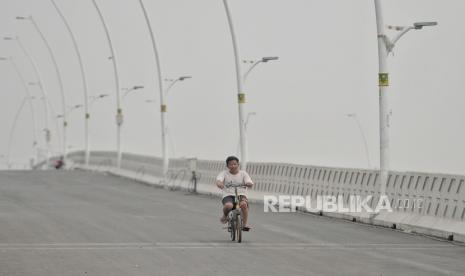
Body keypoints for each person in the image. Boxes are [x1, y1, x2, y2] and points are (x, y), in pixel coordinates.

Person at [216, 156, 254, 231]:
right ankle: (225, 215)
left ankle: (245, 224)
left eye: (235, 164)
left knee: (243, 205)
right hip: (228, 195)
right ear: (227, 166)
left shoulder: (243, 173)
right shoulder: (224, 173)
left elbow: (249, 181)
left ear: (238, 164)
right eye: (230, 164)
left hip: (241, 194)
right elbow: (219, 180)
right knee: (228, 205)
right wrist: (220, 184)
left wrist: (249, 183)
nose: (233, 166)